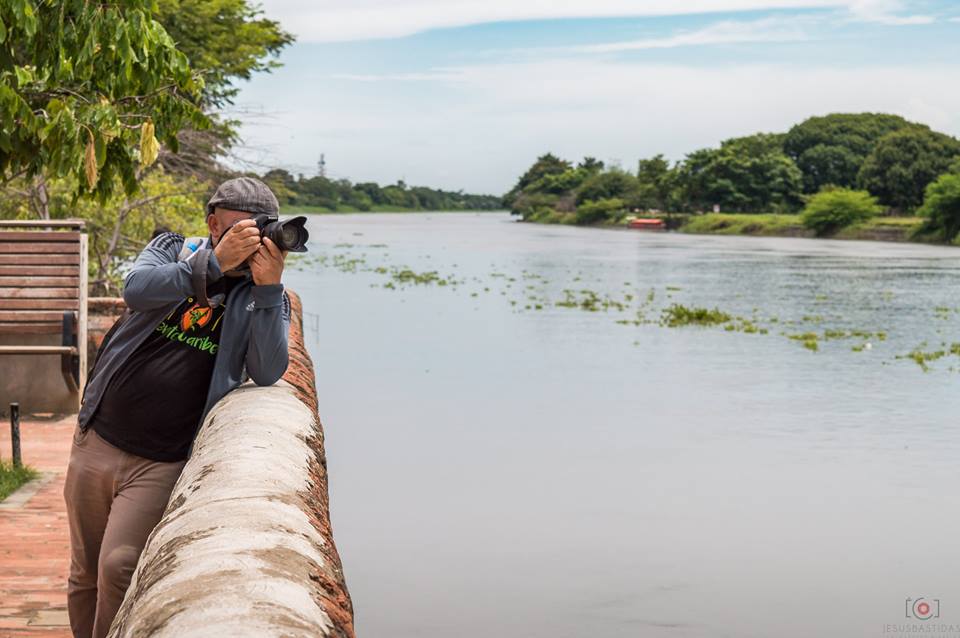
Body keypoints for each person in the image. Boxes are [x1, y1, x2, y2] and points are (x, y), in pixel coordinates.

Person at [63, 177, 291, 638]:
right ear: (212, 223)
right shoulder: (172, 249)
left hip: (164, 458)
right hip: (98, 437)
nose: (249, 238)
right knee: (84, 571)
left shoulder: (262, 296)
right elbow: (137, 289)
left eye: (259, 228)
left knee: (119, 566)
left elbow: (267, 370)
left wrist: (267, 290)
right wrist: (211, 266)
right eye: (237, 228)